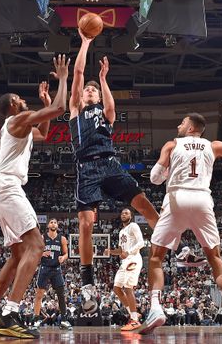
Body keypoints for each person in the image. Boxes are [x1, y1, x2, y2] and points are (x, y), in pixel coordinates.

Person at [135, 113, 222, 335]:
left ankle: (156, 308)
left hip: (177, 198)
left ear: (190, 128)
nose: (179, 124)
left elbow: (155, 178)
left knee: (156, 257)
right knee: (214, 257)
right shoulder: (213, 145)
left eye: (182, 122)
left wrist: (167, 171)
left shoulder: (171, 144)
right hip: (203, 200)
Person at [0, 55, 70, 339]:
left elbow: (45, 134)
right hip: (7, 186)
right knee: (37, 246)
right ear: (12, 104)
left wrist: (46, 101)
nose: (24, 100)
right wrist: (62, 78)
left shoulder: (20, 127)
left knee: (16, 258)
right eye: (19, 98)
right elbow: (61, 109)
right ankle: (9, 313)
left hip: (1, 187)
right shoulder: (17, 119)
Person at [68, 32, 159, 313]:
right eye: (88, 90)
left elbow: (111, 107)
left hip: (109, 163)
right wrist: (85, 43)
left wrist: (104, 80)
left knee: (143, 203)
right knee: (86, 224)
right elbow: (80, 72)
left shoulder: (105, 114)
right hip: (87, 168)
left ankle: (172, 243)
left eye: (93, 90)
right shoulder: (75, 110)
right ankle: (87, 283)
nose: (90, 91)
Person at [103, 207, 144, 331]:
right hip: (125, 260)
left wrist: (129, 251)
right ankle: (133, 313)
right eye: (122, 213)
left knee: (128, 287)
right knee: (116, 288)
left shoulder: (134, 226)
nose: (123, 214)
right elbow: (121, 251)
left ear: (131, 216)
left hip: (134, 258)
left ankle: (135, 320)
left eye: (126, 213)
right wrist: (111, 251)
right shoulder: (121, 231)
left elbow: (141, 242)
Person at [32, 218, 72, 329]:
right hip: (44, 268)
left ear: (57, 225)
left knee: (61, 294)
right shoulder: (42, 237)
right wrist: (42, 253)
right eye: (51, 222)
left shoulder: (62, 239)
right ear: (48, 225)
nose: (53, 224)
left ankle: (64, 320)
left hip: (56, 269)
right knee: (39, 294)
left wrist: (63, 258)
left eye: (55, 222)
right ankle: (35, 320)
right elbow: (35, 251)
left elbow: (66, 254)